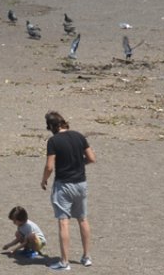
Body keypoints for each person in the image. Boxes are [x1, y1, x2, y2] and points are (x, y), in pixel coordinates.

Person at [41, 111, 96, 270]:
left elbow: (49, 166)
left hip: (63, 185)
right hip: (81, 184)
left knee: (63, 222)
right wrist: (78, 163)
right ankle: (86, 257)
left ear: (52, 126)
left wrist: (44, 179)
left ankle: (64, 262)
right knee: (83, 219)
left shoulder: (53, 141)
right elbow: (92, 158)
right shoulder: (79, 136)